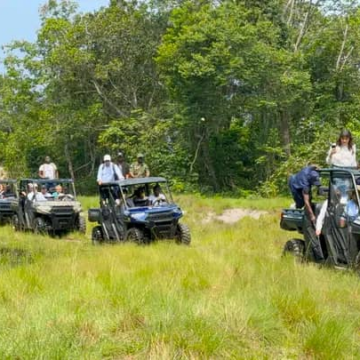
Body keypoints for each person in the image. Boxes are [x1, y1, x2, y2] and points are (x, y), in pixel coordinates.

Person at [289, 165, 324, 262]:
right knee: (302, 203)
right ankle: (296, 206)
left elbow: (313, 165)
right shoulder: (305, 185)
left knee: (310, 199)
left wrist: (317, 167)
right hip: (294, 184)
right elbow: (307, 202)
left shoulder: (311, 170)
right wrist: (312, 215)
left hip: (302, 178)